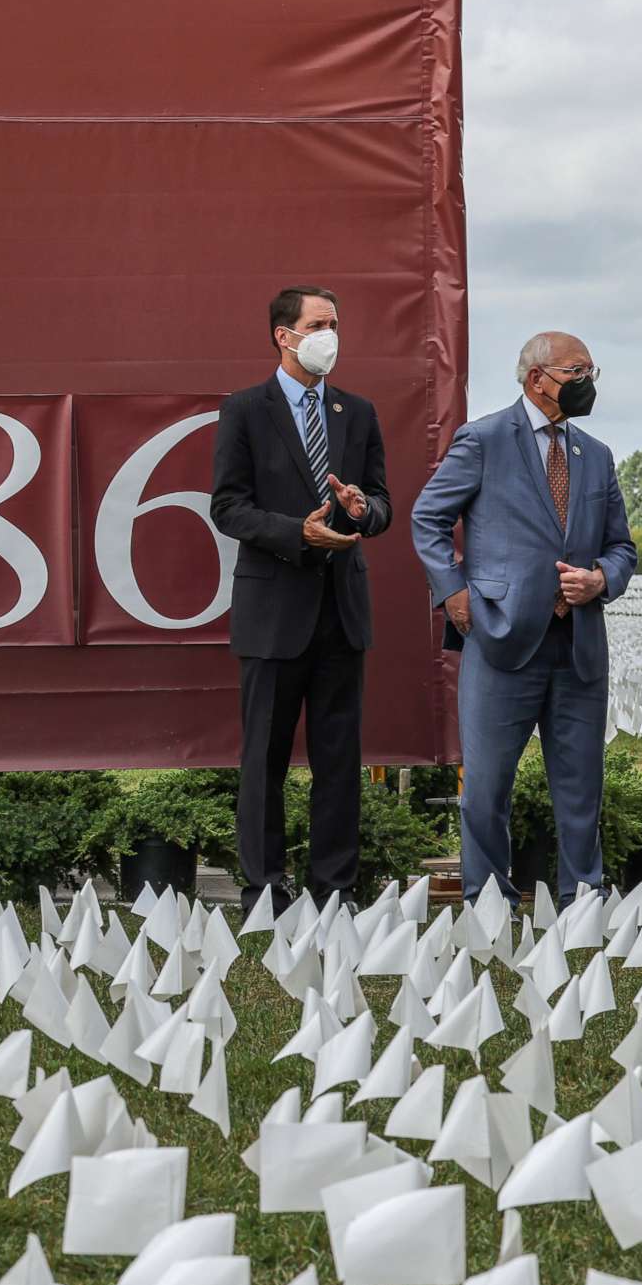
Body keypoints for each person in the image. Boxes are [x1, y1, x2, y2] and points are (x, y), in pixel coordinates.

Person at [411, 332, 636, 903]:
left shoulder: (597, 455)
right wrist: (454, 594)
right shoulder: (484, 439)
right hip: (499, 636)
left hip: (578, 643)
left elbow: (622, 548)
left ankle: (581, 900)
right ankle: (488, 902)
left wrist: (601, 579)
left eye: (592, 371)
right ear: (537, 377)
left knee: (581, 785)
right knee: (485, 788)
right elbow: (427, 519)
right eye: (576, 371)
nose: (588, 382)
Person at [209, 285, 393, 907]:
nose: (331, 335)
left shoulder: (357, 412)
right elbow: (228, 506)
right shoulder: (244, 410)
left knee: (339, 760)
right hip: (272, 611)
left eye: (336, 323)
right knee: (263, 757)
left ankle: (334, 889)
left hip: (342, 613)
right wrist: (299, 533)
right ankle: (264, 890)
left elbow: (383, 503)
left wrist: (364, 511)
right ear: (284, 335)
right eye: (320, 324)